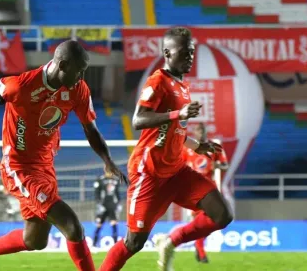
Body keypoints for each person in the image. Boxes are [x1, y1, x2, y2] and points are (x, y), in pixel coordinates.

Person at [0, 40, 127, 271]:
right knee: (72, 226)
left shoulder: (78, 90)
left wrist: (107, 161)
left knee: (35, 240)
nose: (82, 77)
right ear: (62, 65)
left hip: (45, 166)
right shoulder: (19, 86)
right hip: (18, 166)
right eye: (79, 71)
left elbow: (90, 129)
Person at [98, 27, 233, 271]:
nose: (190, 56)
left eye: (192, 52)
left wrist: (197, 145)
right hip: (148, 172)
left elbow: (176, 131)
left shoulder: (182, 86)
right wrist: (177, 113)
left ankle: (171, 242)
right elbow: (138, 120)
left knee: (222, 214)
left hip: (176, 171)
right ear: (167, 52)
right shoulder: (157, 80)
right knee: (134, 241)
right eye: (184, 52)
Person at [183, 123, 229, 263]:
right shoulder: (187, 149)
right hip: (193, 190)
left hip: (210, 189)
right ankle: (201, 252)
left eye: (202, 130)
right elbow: (179, 166)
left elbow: (225, 165)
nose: (200, 133)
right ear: (194, 133)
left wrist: (217, 165)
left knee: (212, 221)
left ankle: (198, 247)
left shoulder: (213, 147)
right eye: (197, 130)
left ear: (205, 132)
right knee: (200, 222)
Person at [93, 172, 122, 247]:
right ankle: (94, 244)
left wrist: (118, 203)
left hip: (112, 206)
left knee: (114, 223)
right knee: (99, 224)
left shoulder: (116, 180)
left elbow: (117, 193)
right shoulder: (100, 179)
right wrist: (99, 204)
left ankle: (116, 245)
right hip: (103, 205)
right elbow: (97, 193)